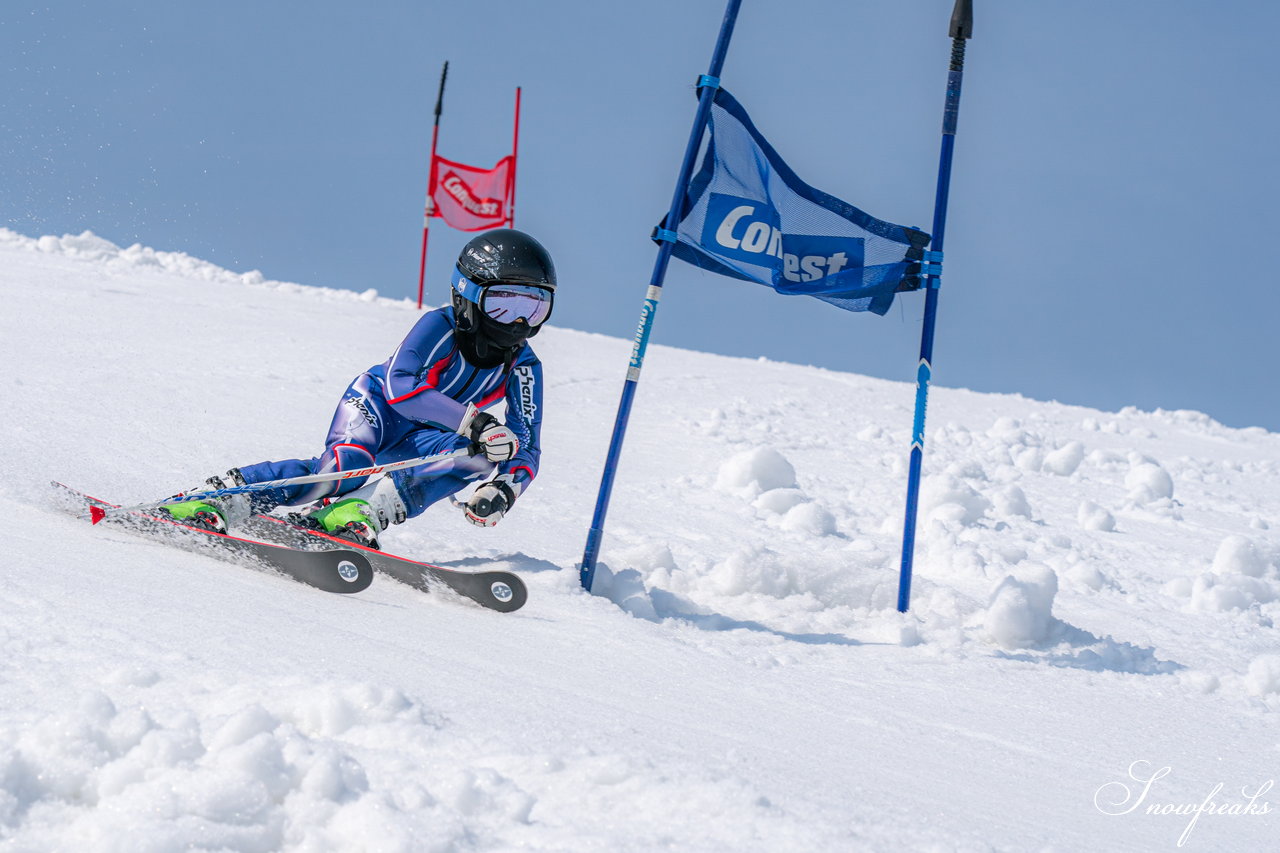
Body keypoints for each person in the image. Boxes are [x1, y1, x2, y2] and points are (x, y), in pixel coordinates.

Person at [165, 228, 553, 549]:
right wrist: (475, 423)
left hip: (431, 433)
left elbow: (527, 443)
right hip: (378, 408)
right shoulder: (442, 327)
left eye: (535, 308)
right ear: (468, 294)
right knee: (343, 471)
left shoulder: (524, 366)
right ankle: (219, 500)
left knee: (478, 457)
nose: (519, 322)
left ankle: (352, 512)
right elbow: (400, 386)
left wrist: (505, 487)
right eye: (503, 304)